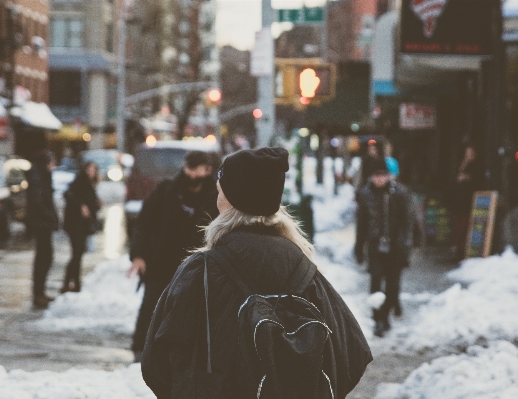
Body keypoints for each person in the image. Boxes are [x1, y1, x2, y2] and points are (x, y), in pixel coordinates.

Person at [141, 147, 373, 398]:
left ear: (231, 200)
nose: (216, 199)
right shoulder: (303, 267)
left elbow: (155, 362)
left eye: (219, 192)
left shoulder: (202, 270)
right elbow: (354, 353)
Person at [127, 151, 218, 362]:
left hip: (200, 266)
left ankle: (193, 356)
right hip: (163, 262)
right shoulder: (167, 191)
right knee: (152, 307)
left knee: (197, 312)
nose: (193, 174)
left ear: (208, 170)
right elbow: (145, 223)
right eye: (190, 168)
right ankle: (141, 352)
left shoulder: (216, 196)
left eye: (199, 168)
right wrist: (139, 255)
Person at [357, 158, 413, 337]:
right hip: (375, 245)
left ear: (388, 176)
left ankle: (387, 313)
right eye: (376, 175)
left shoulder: (399, 193)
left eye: (383, 175)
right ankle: (378, 319)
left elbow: (407, 221)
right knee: (375, 283)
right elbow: (362, 223)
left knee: (392, 285)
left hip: (395, 245)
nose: (380, 179)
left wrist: (406, 246)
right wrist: (359, 246)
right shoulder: (365, 194)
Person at [26, 150, 59, 309]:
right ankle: (38, 293)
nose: (54, 165)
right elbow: (38, 202)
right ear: (46, 163)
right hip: (41, 224)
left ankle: (40, 292)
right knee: (44, 257)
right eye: (52, 162)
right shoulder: (38, 178)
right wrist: (51, 217)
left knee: (45, 257)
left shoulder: (42, 176)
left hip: (43, 223)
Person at [61, 161, 101, 293]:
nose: (91, 172)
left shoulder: (90, 184)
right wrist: (81, 206)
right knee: (77, 252)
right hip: (75, 224)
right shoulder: (79, 182)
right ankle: (69, 283)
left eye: (93, 170)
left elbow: (90, 203)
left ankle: (74, 283)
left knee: (78, 253)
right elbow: (69, 195)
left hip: (82, 225)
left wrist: (96, 204)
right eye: (89, 169)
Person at [452, 145, 483, 261]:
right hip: (460, 199)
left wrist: (467, 178)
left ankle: (464, 250)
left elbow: (477, 180)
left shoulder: (476, 166)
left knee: (466, 225)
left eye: (470, 153)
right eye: (467, 153)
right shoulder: (462, 164)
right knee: (459, 225)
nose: (468, 155)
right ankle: (458, 249)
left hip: (468, 199)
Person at [354, 140, 382, 264]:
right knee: (364, 224)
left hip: (374, 199)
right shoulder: (365, 162)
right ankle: (362, 253)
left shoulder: (381, 161)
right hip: (366, 197)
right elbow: (360, 178)